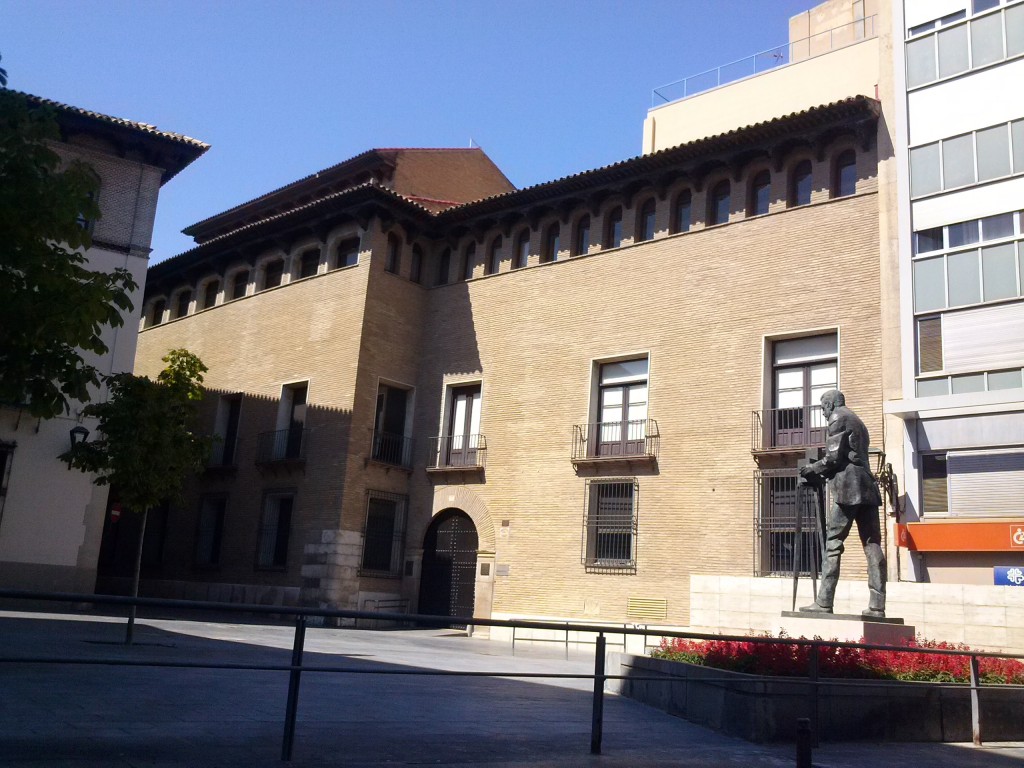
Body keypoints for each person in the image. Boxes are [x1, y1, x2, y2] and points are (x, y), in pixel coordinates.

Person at [799, 389, 886, 618]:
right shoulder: (859, 422)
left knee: (833, 543)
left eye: (823, 407)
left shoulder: (839, 418)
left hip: (849, 488)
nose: (823, 412)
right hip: (867, 486)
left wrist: (812, 468)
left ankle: (824, 602)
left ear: (830, 405)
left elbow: (833, 457)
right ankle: (877, 606)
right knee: (872, 544)